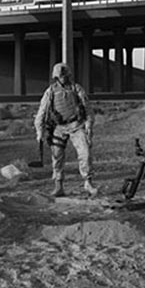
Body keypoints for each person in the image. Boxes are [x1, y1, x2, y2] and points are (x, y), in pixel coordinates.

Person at [34, 62, 98, 197]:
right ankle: (59, 186)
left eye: (65, 75)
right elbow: (42, 111)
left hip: (77, 125)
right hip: (58, 128)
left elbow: (88, 108)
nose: (63, 78)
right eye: (60, 76)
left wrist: (89, 125)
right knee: (57, 157)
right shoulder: (50, 91)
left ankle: (88, 182)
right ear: (56, 77)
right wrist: (39, 132)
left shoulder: (76, 89)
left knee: (85, 153)